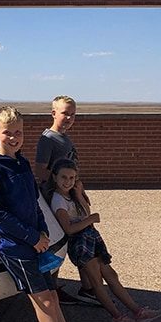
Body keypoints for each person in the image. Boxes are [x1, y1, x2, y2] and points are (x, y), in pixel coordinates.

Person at [0, 106, 114, 322]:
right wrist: (30, 236)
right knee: (45, 302)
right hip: (14, 245)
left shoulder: (21, 164)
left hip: (35, 241)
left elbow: (33, 201)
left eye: (18, 133)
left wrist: (43, 232)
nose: (13, 138)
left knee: (52, 297)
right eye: (7, 132)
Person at [48, 158, 161, 322]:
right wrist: (90, 219)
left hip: (90, 238)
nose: (68, 182)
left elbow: (85, 212)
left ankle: (137, 311)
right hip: (79, 243)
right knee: (96, 280)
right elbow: (69, 229)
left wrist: (79, 195)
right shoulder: (58, 201)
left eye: (72, 178)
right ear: (54, 177)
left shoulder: (71, 195)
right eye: (64, 177)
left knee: (111, 274)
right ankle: (117, 317)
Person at [34, 95, 97, 305]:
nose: (69, 117)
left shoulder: (64, 138)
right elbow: (42, 171)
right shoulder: (48, 139)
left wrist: (78, 189)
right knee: (59, 241)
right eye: (65, 113)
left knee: (80, 238)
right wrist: (57, 195)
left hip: (70, 194)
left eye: (72, 114)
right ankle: (52, 287)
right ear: (53, 113)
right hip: (57, 200)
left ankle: (86, 287)